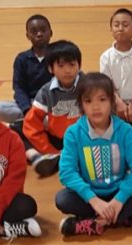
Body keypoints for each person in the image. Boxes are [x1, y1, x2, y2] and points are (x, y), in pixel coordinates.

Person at [55, 72, 132, 236]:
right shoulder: (73, 133)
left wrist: (119, 200)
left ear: (112, 102)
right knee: (62, 199)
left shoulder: (124, 130)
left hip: (117, 190)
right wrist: (93, 200)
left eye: (102, 100)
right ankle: (122, 218)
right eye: (88, 101)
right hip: (90, 194)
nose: (96, 107)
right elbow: (67, 173)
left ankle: (93, 223)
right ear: (81, 105)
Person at [0, 72, 41, 241]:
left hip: (2, 202)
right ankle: (2, 229)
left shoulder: (12, 139)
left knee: (27, 205)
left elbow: (13, 183)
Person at [22, 40, 82, 177]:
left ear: (79, 65)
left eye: (72, 64)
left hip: (83, 140)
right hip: (56, 140)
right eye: (61, 66)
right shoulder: (46, 92)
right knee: (18, 129)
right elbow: (32, 125)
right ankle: (52, 158)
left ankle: (58, 160)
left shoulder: (88, 86)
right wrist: (49, 150)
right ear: (51, 69)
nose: (67, 70)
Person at [0, 14, 53, 123]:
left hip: (52, 104)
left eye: (43, 30)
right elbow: (19, 88)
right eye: (34, 31)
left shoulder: (58, 56)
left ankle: (31, 122)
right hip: (29, 104)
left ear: (50, 33)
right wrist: (27, 110)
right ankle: (34, 120)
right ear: (28, 35)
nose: (39, 34)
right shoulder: (22, 59)